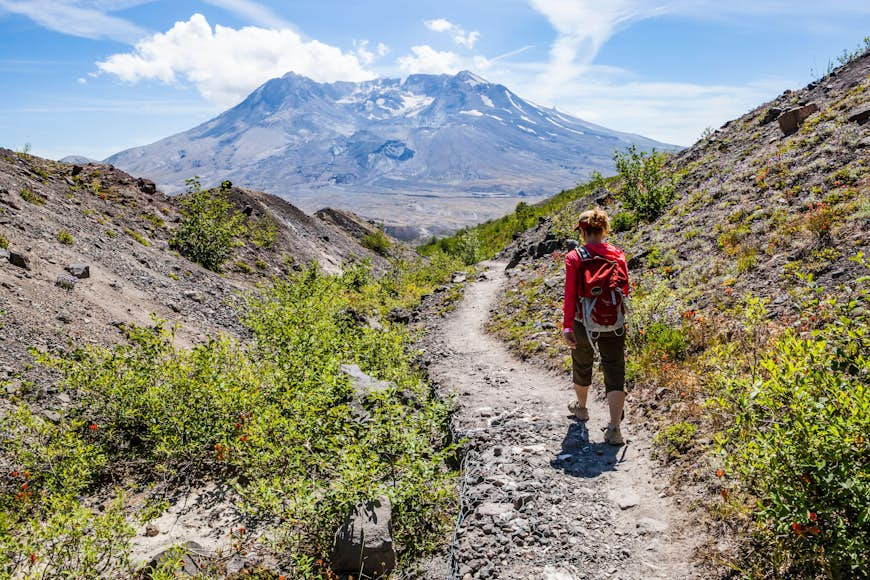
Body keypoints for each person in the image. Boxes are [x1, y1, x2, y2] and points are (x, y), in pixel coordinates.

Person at [562, 208, 630, 445]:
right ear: (603, 229)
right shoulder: (617, 255)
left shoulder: (574, 258)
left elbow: (570, 295)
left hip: (583, 321)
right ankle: (615, 429)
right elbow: (625, 290)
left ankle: (581, 408)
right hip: (614, 321)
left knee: (582, 363)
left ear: (582, 231)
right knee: (614, 369)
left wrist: (567, 326)